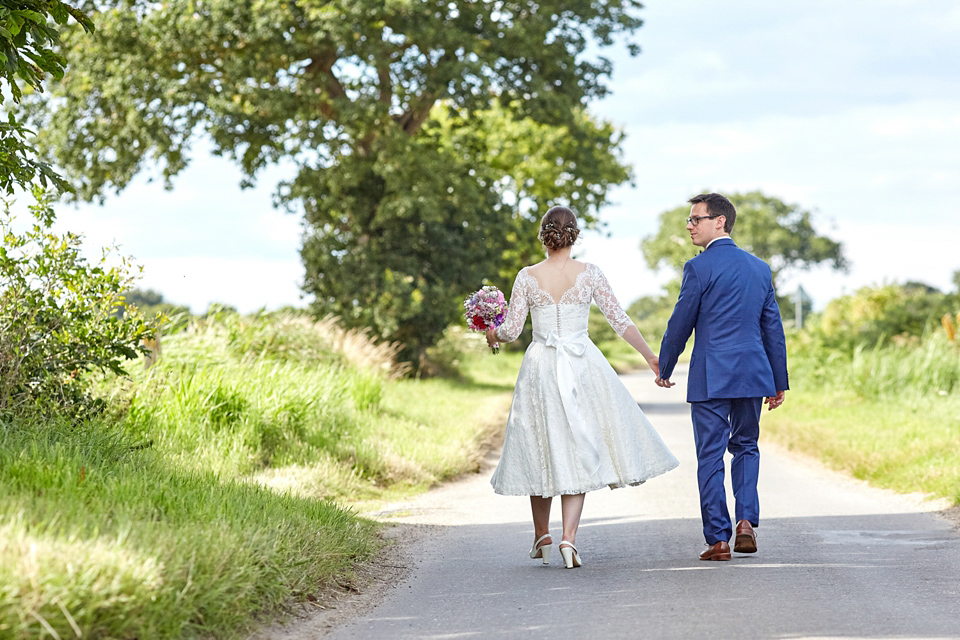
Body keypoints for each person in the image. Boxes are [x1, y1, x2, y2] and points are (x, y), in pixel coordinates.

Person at [486, 205, 679, 569]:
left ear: (544, 235)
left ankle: (542, 534)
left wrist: (492, 334)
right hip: (581, 365)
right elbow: (619, 320)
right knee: (578, 443)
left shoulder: (527, 276)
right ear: (574, 234)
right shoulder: (590, 274)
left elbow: (511, 331)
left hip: (541, 366)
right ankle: (568, 540)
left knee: (540, 443)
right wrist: (651, 357)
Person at [656, 193, 789, 561]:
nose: (689, 225)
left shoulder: (698, 268)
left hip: (711, 376)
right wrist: (779, 380)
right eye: (689, 219)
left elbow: (680, 322)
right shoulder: (759, 269)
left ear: (720, 222)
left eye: (696, 219)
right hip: (752, 372)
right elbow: (772, 330)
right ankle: (745, 519)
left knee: (711, 455)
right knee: (746, 446)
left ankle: (719, 539)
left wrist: (665, 366)